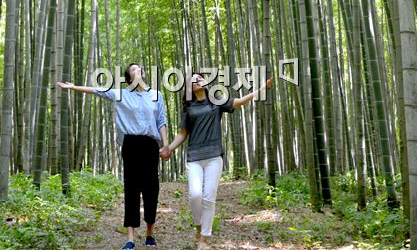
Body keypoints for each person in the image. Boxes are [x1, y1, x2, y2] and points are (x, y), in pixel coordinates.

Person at [58, 63, 169, 249]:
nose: (138, 70)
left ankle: (150, 232)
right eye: (133, 69)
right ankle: (131, 238)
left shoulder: (156, 95)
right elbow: (97, 90)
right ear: (129, 77)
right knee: (131, 189)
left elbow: (161, 121)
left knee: (151, 189)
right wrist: (73, 87)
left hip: (150, 145)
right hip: (131, 144)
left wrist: (166, 144)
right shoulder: (121, 94)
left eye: (139, 68)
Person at [162, 70, 273, 247]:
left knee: (209, 197)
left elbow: (240, 101)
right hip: (194, 157)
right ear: (189, 87)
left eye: (200, 78)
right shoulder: (188, 108)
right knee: (195, 195)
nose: (198, 80)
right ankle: (199, 226)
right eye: (194, 80)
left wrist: (261, 89)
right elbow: (183, 134)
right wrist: (169, 149)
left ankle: (204, 238)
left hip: (214, 156)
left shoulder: (216, 101)